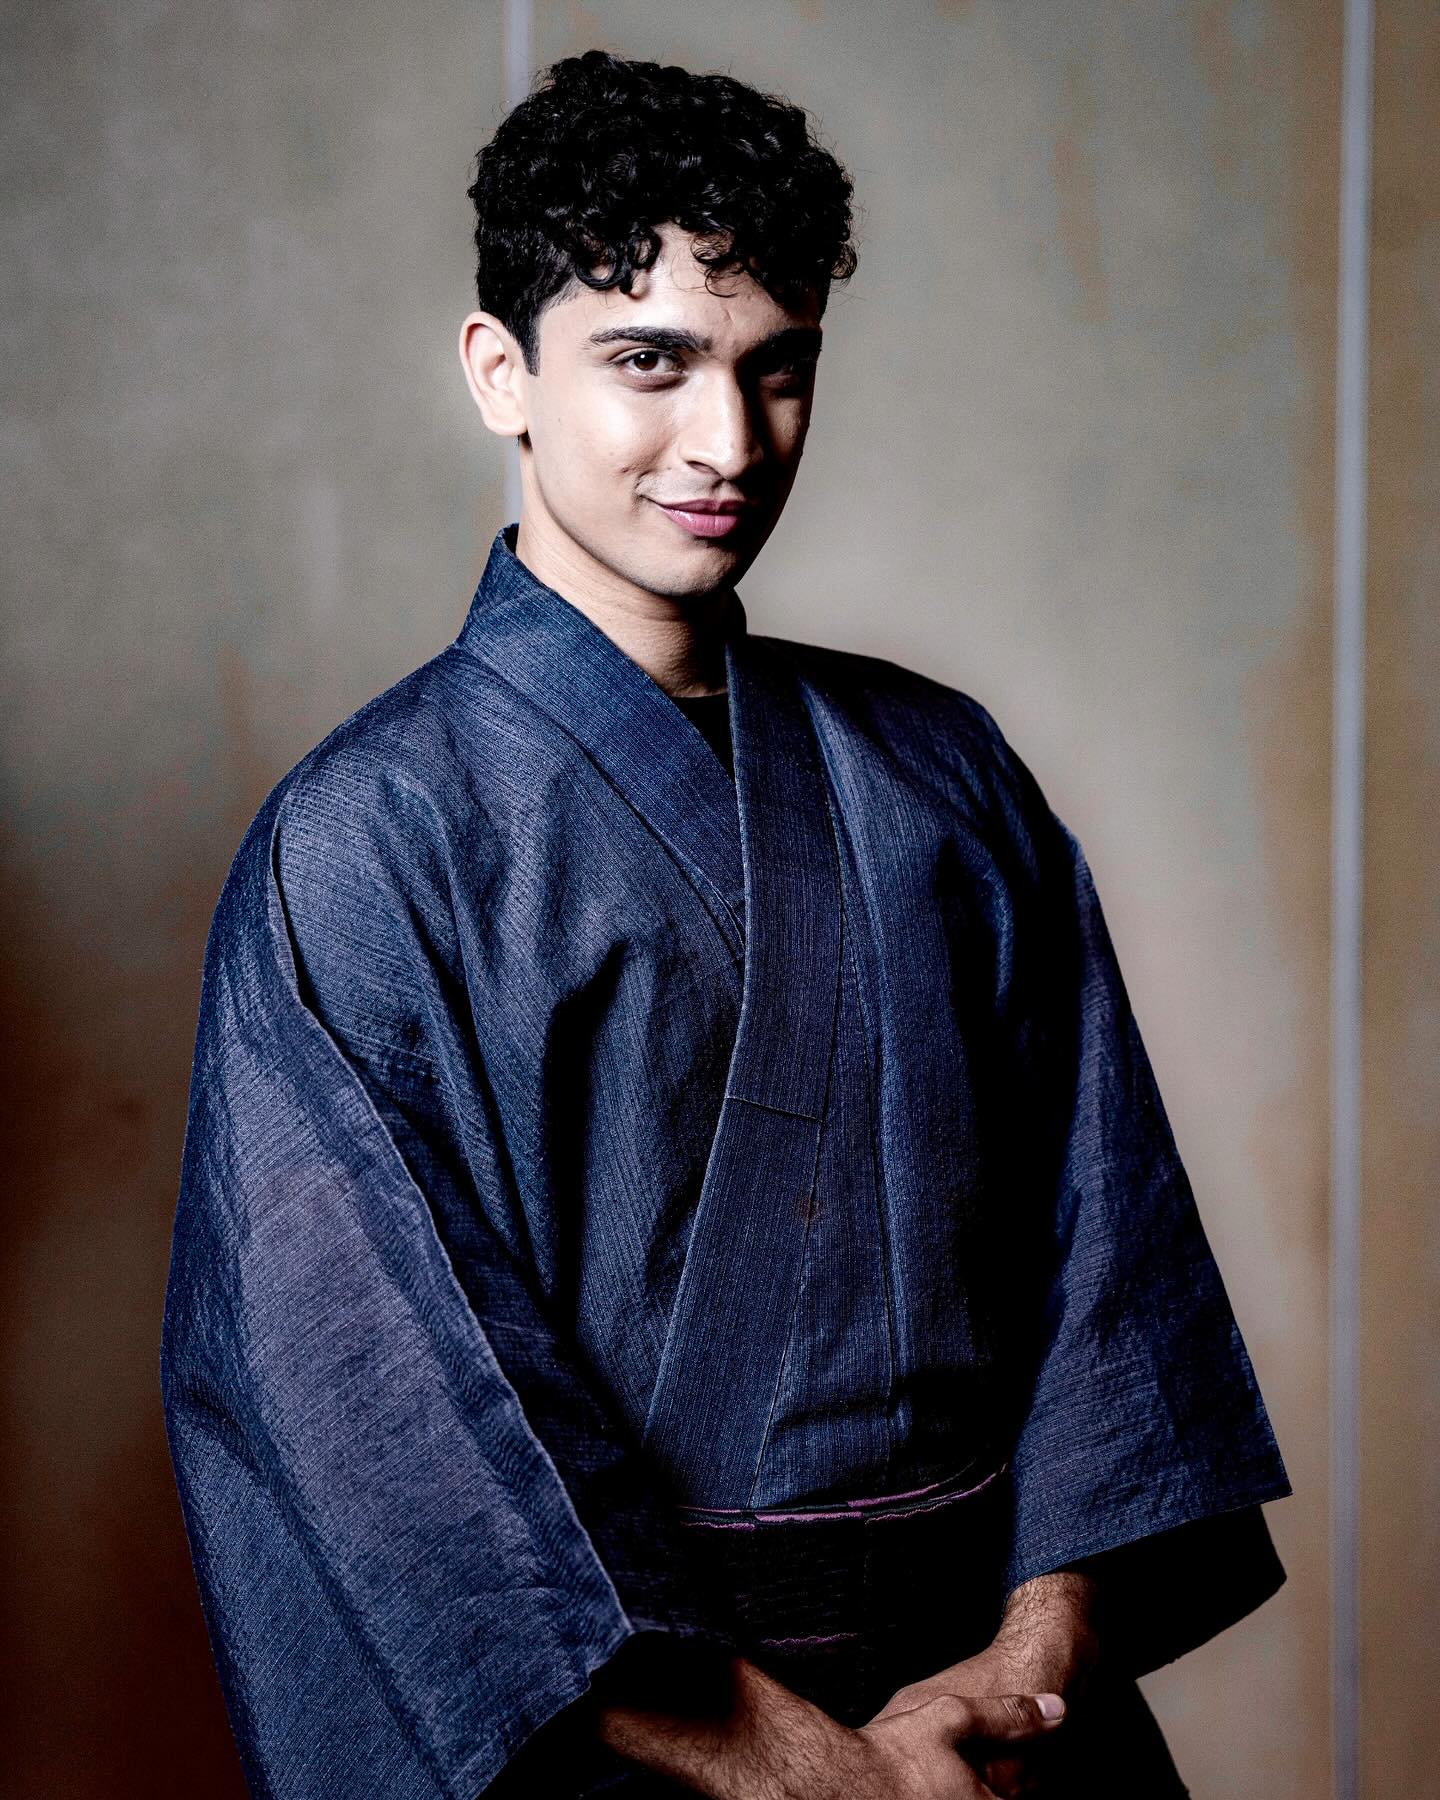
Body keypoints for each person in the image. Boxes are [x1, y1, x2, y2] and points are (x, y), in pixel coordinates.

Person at [161, 48, 1290, 1800]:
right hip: (641, 1736)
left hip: (995, 1727)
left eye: (777, 368)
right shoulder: (367, 844)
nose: (729, 442)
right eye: (650, 362)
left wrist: (1027, 1663)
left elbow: (1109, 1274)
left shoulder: (944, 775)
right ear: (500, 372)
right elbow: (377, 1413)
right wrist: (812, 1772)